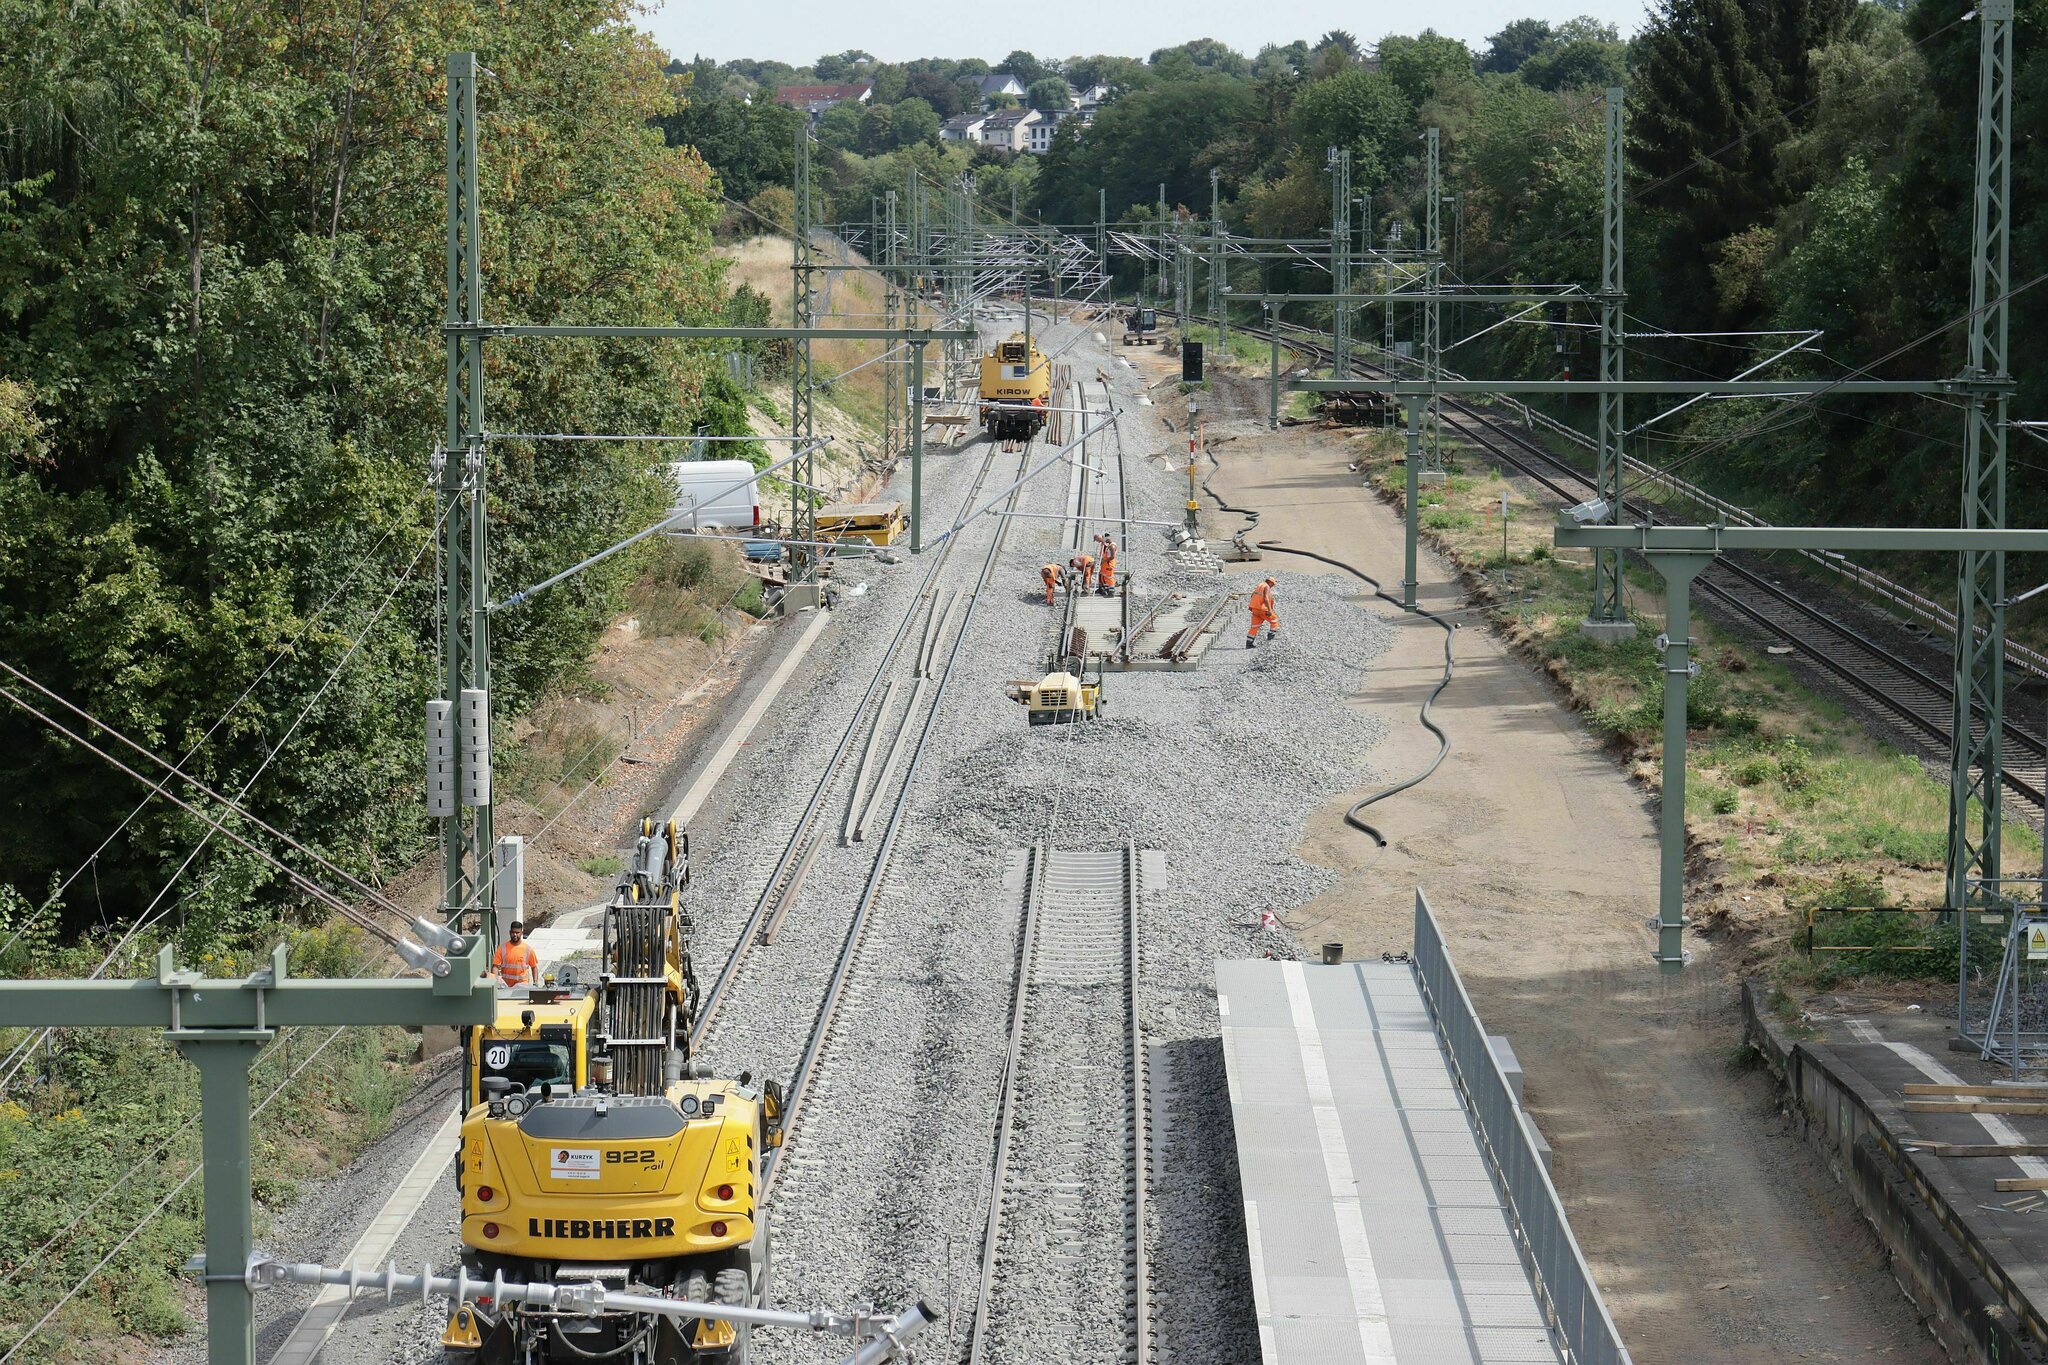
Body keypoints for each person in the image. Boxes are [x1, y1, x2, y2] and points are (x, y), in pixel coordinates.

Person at [493, 920, 541, 988]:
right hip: (506, 986)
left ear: (521, 933)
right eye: (513, 932)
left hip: (523, 986)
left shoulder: (528, 950)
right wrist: (495, 982)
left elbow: (534, 967)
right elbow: (495, 967)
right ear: (510, 932)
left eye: (517, 932)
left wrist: (535, 983)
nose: (515, 935)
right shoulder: (502, 948)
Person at [1246, 576, 1279, 649]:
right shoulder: (1266, 586)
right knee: (1274, 620)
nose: (1272, 586)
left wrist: (1251, 606)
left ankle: (1249, 644)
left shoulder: (1259, 585)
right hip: (1262, 609)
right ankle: (1270, 638)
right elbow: (1266, 598)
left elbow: (1252, 595)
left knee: (1254, 627)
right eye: (1272, 584)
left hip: (1255, 609)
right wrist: (1269, 610)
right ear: (1270, 582)